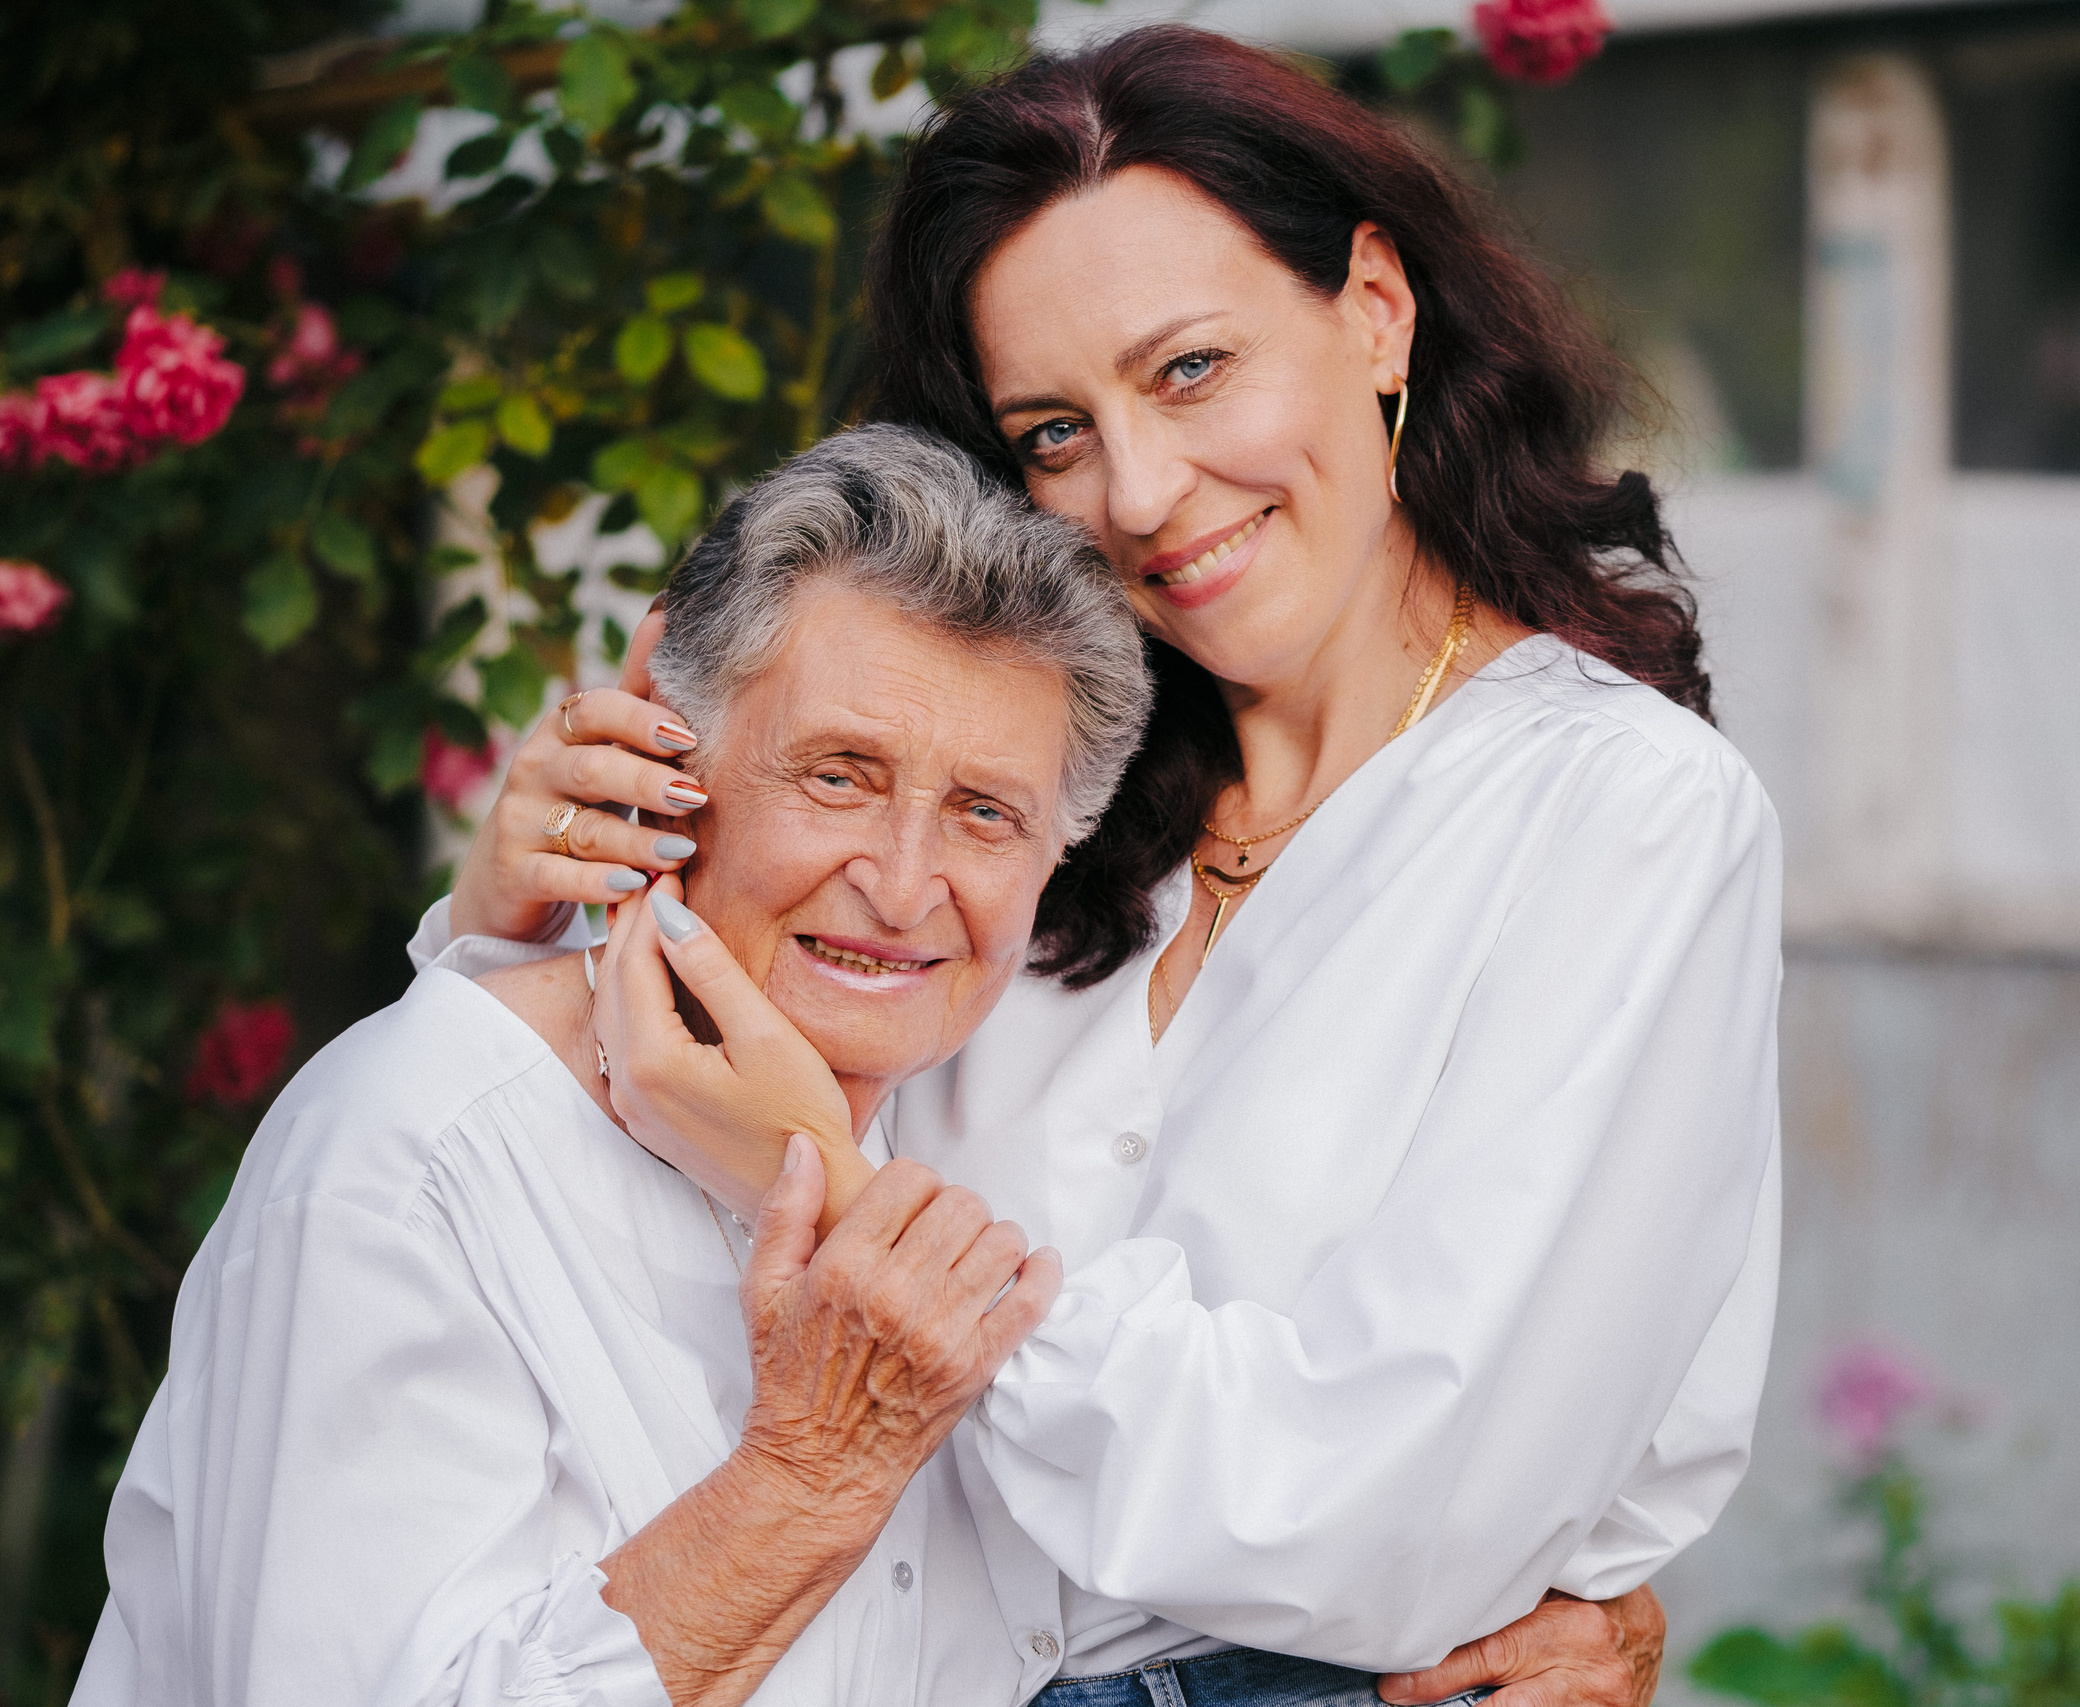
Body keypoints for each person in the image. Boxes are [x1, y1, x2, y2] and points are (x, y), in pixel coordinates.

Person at [427, 24, 1783, 1707]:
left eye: (1191, 369)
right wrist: (510, 928)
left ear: (1375, 307)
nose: (1139, 491)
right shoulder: (1006, 793)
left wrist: (832, 1192)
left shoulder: (1618, 813)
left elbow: (1375, 1513)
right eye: (1055, 432)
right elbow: (625, 1162)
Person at [70, 426, 1153, 1707]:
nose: (906, 886)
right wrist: (809, 1479)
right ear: (665, 756)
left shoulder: (976, 1136)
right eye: (839, 776)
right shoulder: (412, 1159)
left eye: (985, 813)